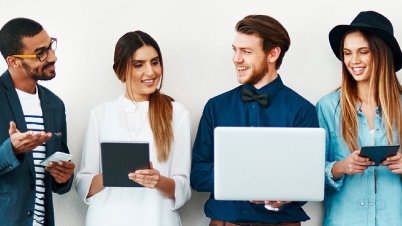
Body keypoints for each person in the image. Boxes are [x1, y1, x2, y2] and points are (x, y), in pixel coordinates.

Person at [190, 14, 318, 226]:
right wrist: (239, 176)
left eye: (246, 51)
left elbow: (311, 179)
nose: (236, 58)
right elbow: (197, 175)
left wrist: (286, 194)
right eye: (235, 49)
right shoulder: (216, 107)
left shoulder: (302, 111)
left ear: (273, 54)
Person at [75, 30, 191, 226]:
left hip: (157, 219)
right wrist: (113, 174)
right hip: (106, 219)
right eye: (139, 65)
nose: (150, 72)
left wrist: (157, 180)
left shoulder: (177, 113)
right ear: (121, 71)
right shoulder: (101, 114)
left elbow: (184, 187)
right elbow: (83, 184)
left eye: (154, 62)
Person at [316, 11, 402, 225]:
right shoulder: (327, 107)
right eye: (347, 53)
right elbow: (308, 173)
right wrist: (342, 166)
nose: (353, 61)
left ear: (382, 54)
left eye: (363, 52)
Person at [0, 18, 75, 226]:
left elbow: (57, 183)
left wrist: (63, 177)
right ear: (13, 61)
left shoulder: (55, 105)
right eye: (41, 53)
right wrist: (12, 150)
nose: (53, 56)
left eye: (50, 46)